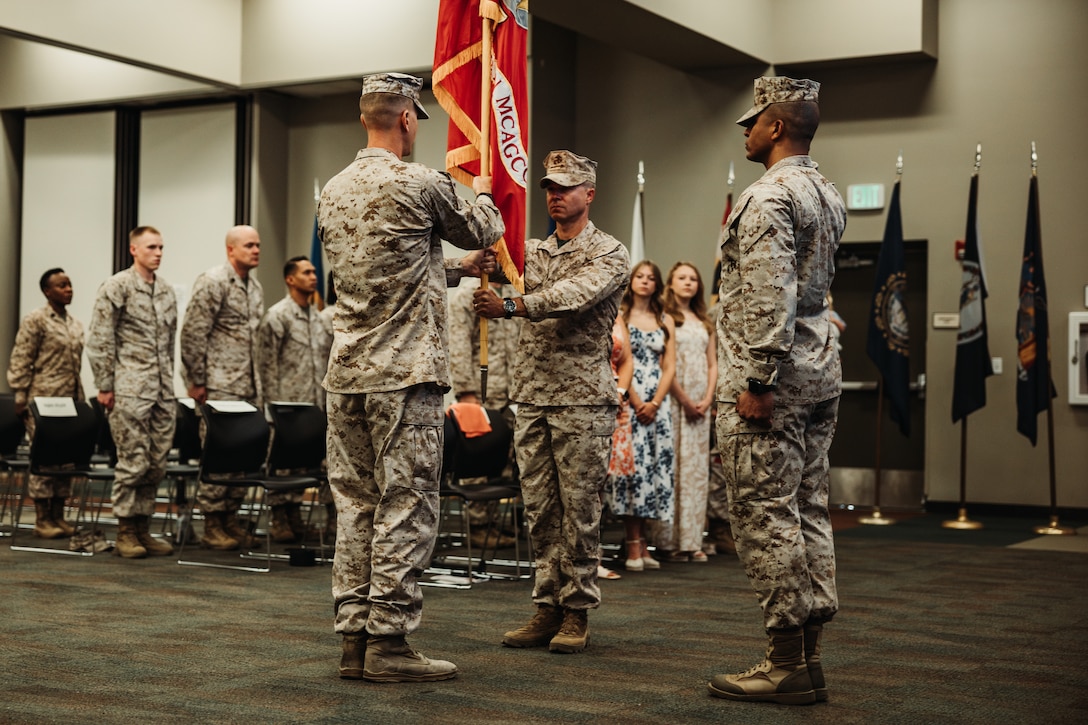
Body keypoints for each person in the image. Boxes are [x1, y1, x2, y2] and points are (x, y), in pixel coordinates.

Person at [319, 72, 503, 683]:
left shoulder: (334, 190)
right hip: (403, 375)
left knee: (356, 506)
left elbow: (387, 268)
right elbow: (485, 229)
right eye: (418, 118)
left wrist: (451, 270)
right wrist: (482, 190)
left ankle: (353, 639)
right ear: (405, 119)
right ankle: (390, 643)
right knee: (406, 504)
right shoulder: (422, 182)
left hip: (347, 374)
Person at [707, 76, 847, 706]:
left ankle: (784, 659)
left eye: (752, 120)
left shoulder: (767, 198)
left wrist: (759, 377)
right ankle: (810, 658)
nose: (745, 130)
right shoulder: (826, 190)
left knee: (764, 511)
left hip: (776, 379)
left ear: (777, 127)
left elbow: (769, 294)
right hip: (818, 370)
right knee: (808, 505)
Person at [476, 149, 629, 654]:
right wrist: (471, 259)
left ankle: (577, 610)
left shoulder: (609, 252)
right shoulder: (530, 251)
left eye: (565, 187)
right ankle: (546, 605)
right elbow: (480, 270)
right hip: (533, 396)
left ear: (590, 193)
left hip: (583, 400)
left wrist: (511, 304)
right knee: (540, 510)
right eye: (548, 188)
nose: (555, 196)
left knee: (579, 510)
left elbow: (571, 297)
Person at [86, 227, 178, 559]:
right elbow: (99, 338)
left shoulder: (166, 291)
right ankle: (125, 529)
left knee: (156, 463)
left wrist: (170, 382)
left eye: (161, 247)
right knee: (133, 460)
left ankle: (142, 526)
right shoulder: (117, 286)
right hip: (129, 388)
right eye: (151, 247)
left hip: (162, 391)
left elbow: (169, 343)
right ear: (133, 249)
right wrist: (105, 385)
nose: (158, 252)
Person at [180, 224, 264, 551]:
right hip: (218, 385)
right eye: (249, 245)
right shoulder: (213, 281)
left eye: (258, 245)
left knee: (242, 454)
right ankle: (212, 523)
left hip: (246, 385)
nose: (256, 250)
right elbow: (193, 333)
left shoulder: (253, 287)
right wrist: (197, 379)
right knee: (218, 452)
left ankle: (231, 519)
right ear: (230, 249)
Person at [256, 255, 333, 543]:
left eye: (314, 272)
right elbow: (266, 364)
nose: (313, 276)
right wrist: (271, 409)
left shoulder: (318, 318)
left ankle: (295, 516)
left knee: (304, 464)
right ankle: (279, 518)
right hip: (286, 404)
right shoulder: (278, 315)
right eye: (306, 272)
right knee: (282, 465)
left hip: (313, 404)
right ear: (290, 279)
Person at [6, 268, 84, 538]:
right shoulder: (36, 320)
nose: (68, 289)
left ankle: (59, 515)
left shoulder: (73, 323)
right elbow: (21, 358)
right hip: (42, 400)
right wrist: (19, 395)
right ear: (47, 291)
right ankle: (42, 518)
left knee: (65, 461)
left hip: (69, 401)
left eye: (70, 284)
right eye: (62, 285)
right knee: (44, 458)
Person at [608, 260, 675, 571]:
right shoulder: (618, 315)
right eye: (640, 276)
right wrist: (636, 402)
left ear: (657, 284)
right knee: (632, 473)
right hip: (629, 400)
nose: (645, 282)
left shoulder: (665, 320)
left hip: (657, 404)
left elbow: (670, 366)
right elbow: (623, 359)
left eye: (651, 278)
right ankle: (631, 543)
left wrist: (656, 402)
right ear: (630, 280)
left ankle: (645, 543)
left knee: (654, 471)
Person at [448, 280, 521, 550]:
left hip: (512, 389)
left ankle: (496, 522)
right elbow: (457, 343)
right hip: (481, 390)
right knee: (479, 460)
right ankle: (478, 525)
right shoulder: (470, 293)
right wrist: (466, 391)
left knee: (506, 460)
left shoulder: (515, 293)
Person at [652, 261, 716, 563]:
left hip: (701, 405)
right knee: (673, 467)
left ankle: (692, 540)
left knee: (695, 472)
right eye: (682, 278)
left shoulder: (704, 320)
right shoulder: (665, 317)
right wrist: (685, 399)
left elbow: (713, 363)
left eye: (693, 278)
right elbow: (666, 365)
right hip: (675, 402)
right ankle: (669, 541)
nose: (688, 283)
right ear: (671, 283)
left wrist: (706, 398)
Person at [600, 313, 635, 581]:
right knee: (587, 482)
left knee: (603, 479)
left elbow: (626, 360)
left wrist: (621, 393)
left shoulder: (617, 313)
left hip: (615, 400)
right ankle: (587, 558)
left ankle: (593, 555)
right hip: (586, 395)